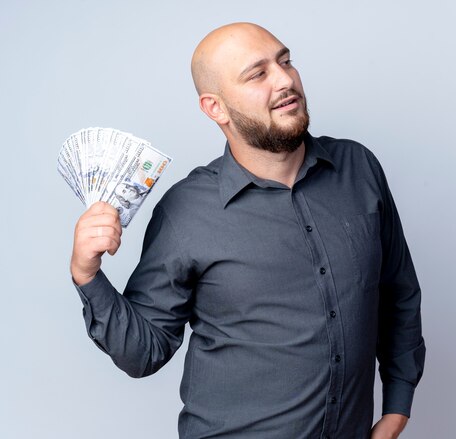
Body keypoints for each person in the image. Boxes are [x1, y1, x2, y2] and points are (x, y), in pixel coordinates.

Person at [70, 22, 425, 439]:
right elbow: (144, 353)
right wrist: (87, 275)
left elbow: (398, 292)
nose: (285, 79)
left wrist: (398, 406)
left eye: (286, 61)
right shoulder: (186, 211)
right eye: (258, 74)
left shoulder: (359, 168)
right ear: (215, 107)